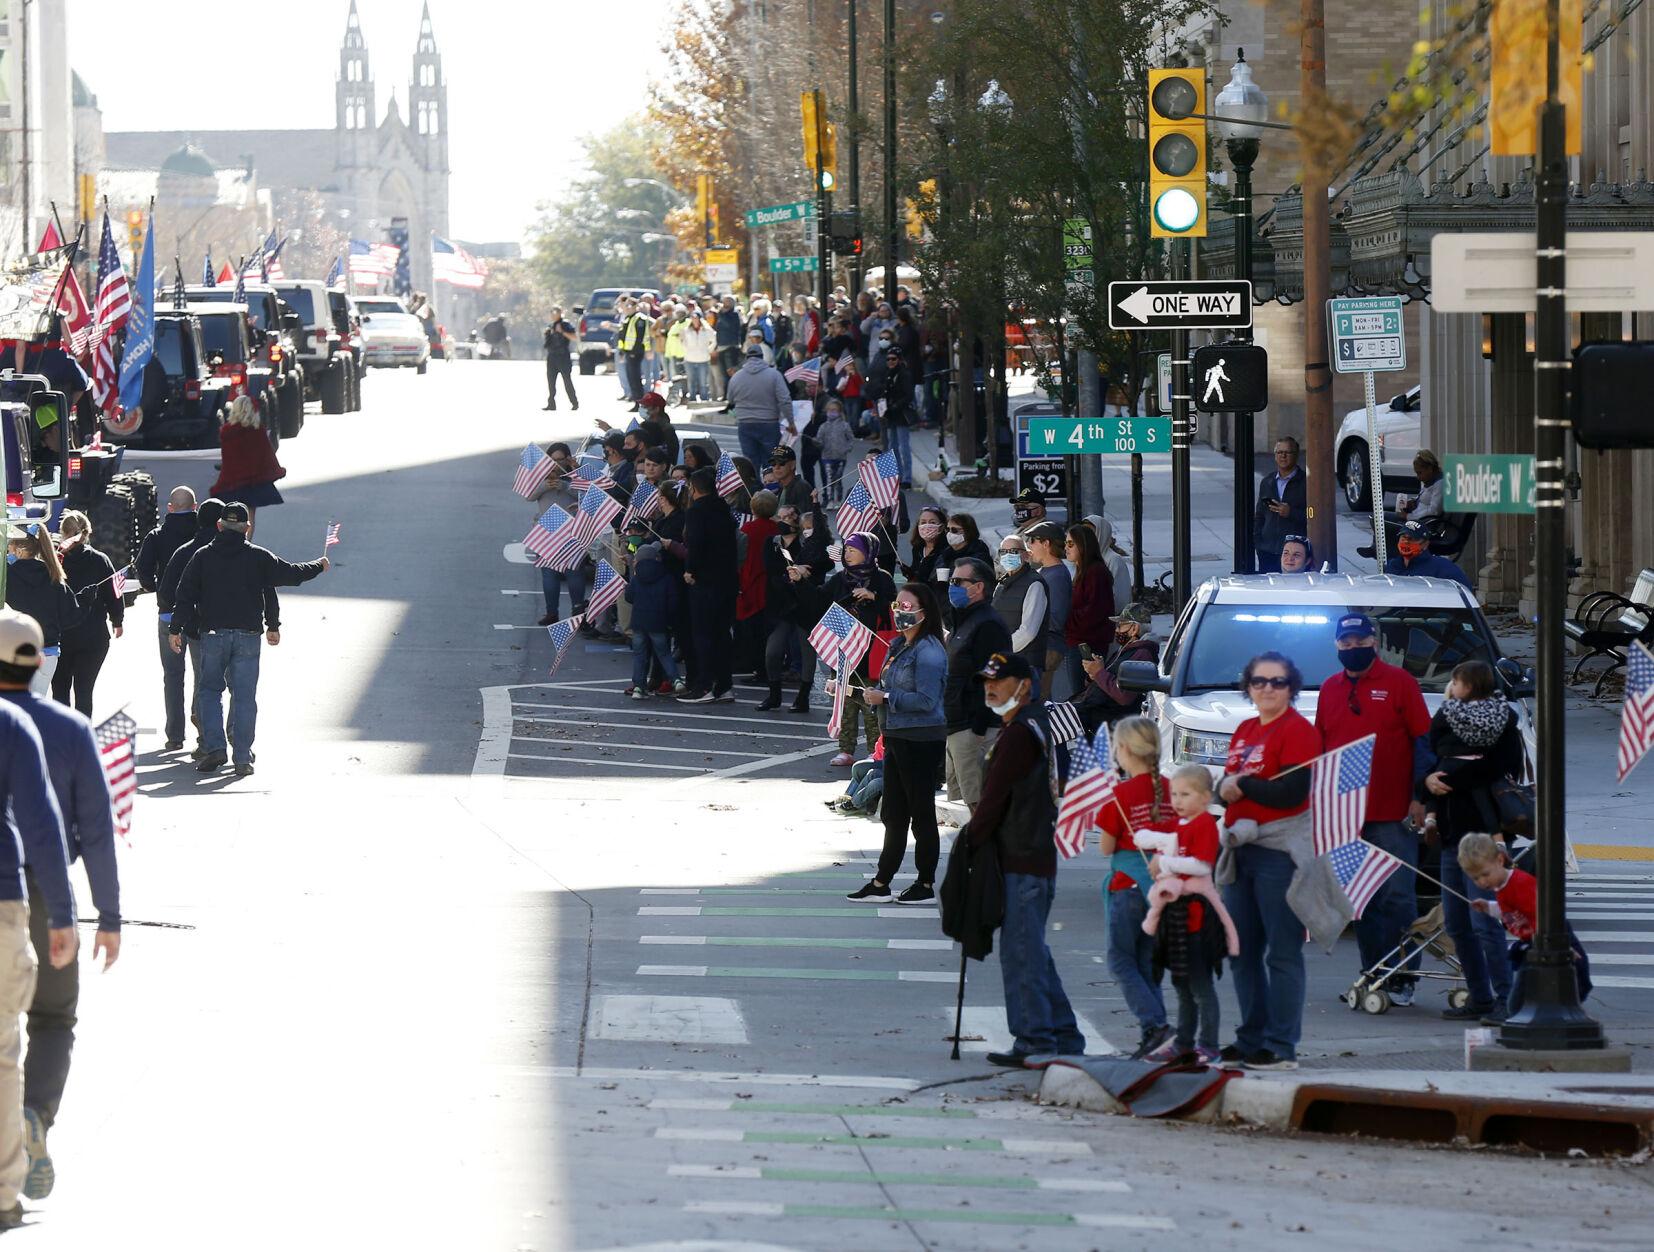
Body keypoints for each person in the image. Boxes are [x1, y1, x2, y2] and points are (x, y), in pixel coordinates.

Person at [0, 610, 119, 1202]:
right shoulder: (70, 729)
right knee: (51, 1019)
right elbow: (93, 829)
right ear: (39, 660)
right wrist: (109, 917)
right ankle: (35, 1115)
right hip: (46, 894)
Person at [968, 651, 1086, 1067]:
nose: (991, 689)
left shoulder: (1021, 732)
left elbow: (995, 797)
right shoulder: (1033, 724)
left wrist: (972, 841)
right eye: (987, 683)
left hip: (1022, 854)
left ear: (1025, 686)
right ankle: (1064, 1033)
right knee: (1031, 949)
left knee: (1022, 952)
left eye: (999, 683)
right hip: (1032, 853)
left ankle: (1036, 1039)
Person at [1315, 611, 1433, 1005]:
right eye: (1346, 644)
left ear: (1374, 643)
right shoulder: (1329, 689)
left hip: (1393, 813)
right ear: (1336, 646)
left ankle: (1404, 977)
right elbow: (1322, 750)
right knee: (1359, 902)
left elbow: (1422, 741)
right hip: (1345, 818)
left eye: (1360, 643)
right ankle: (1372, 975)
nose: (1353, 649)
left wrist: (1419, 797)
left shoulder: (1401, 683)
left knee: (1397, 898)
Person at [0, 641, 76, 1232]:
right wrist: (67, 915)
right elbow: (51, 830)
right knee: (27, 1036)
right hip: (19, 893)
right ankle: (26, 1133)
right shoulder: (24, 726)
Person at [1215, 652, 1321, 1070]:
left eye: (1277, 682)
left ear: (1291, 687)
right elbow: (1226, 786)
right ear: (1248, 686)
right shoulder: (1243, 729)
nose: (1267, 689)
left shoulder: (1298, 731)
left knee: (1282, 952)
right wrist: (1229, 786)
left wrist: (1243, 786)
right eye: (1259, 681)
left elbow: (1292, 792)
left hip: (1281, 854)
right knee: (1242, 951)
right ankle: (1250, 1038)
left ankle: (1280, 1046)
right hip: (1240, 851)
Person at [168, 502, 330, 775]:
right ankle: (242, 757)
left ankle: (216, 748)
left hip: (212, 634)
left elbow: (185, 595)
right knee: (244, 696)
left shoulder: (202, 557)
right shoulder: (258, 557)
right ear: (247, 528)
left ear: (219, 526)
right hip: (248, 637)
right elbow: (290, 574)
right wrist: (319, 565)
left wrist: (175, 629)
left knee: (209, 692)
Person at [1420, 661, 1522, 1022]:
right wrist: (1432, 781)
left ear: (1471, 683)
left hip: (1482, 831)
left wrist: (1452, 775)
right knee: (1457, 924)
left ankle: (1506, 997)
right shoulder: (1446, 715)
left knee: (1485, 923)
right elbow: (1435, 759)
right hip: (1449, 830)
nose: (1451, 685)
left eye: (1456, 679)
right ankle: (1479, 996)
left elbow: (1503, 767)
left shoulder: (1503, 719)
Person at [846, 582, 948, 905]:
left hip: (920, 739)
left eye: (907, 607)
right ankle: (881, 881)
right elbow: (881, 691)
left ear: (924, 612)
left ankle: (926, 882)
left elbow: (928, 700)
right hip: (896, 738)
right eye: (897, 606)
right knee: (893, 812)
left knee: (921, 812)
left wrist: (887, 696)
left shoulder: (930, 651)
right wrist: (850, 691)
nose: (900, 612)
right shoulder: (898, 645)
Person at [1134, 765, 1235, 1063]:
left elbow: (1202, 865)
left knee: (1201, 985)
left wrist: (1164, 863)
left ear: (1205, 797)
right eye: (1174, 794)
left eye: (1185, 794)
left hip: (1197, 915)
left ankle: (1210, 1045)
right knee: (1181, 982)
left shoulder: (1203, 824)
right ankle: (1185, 1042)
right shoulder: (1180, 823)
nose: (1177, 800)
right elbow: (1151, 836)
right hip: (1175, 914)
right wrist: (1145, 836)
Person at [1095, 716, 1172, 1059]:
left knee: (1120, 960)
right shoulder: (1172, 788)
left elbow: (1107, 848)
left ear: (1125, 750)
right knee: (1146, 962)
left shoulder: (1120, 796)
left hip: (1127, 889)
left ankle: (1155, 1024)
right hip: (1162, 889)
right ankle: (1155, 1034)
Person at [1459, 832, 1593, 1018]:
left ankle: (1565, 1013)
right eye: (1475, 878)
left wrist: (1564, 947)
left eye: (1484, 874)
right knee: (1521, 994)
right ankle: (1526, 1016)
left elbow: (1544, 915)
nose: (1482, 882)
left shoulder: (1519, 883)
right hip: (1532, 943)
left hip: (1552, 935)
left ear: (1499, 860)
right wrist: (1488, 907)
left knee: (1578, 980)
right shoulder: (1501, 886)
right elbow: (1511, 912)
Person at [814, 532, 896, 766]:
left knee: (870, 701)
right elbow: (819, 600)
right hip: (844, 650)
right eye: (846, 550)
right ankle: (845, 749)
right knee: (845, 700)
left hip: (871, 651)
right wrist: (800, 580)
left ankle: (874, 749)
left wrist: (873, 596)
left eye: (853, 550)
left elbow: (894, 609)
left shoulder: (882, 579)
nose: (847, 555)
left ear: (868, 552)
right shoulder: (841, 579)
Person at [942, 556, 1013, 813]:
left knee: (981, 804)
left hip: (974, 727)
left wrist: (980, 727)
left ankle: (990, 851)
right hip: (957, 723)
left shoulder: (988, 625)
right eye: (951, 580)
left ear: (978, 587)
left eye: (958, 581)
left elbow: (994, 677)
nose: (953, 586)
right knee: (971, 801)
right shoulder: (965, 620)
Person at [157, 499, 228, 757]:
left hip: (173, 621)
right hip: (204, 627)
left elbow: (165, 591)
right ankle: (204, 737)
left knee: (173, 677)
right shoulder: (224, 552)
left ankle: (175, 735)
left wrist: (172, 614)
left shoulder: (185, 551)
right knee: (204, 680)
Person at [137, 486, 200, 748]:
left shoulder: (157, 535)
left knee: (172, 676)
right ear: (195, 507)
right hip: (199, 613)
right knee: (203, 674)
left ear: (170, 508)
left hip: (168, 612)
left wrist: (154, 587)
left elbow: (142, 568)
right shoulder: (202, 534)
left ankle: (175, 735)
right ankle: (202, 723)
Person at [50, 511, 123, 717]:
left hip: (59, 635)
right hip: (93, 636)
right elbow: (114, 594)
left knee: (60, 691)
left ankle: (62, 740)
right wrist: (117, 621)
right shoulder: (101, 560)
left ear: (62, 533)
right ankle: (83, 740)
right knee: (84, 692)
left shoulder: (54, 561)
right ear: (88, 533)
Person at [758, 504, 829, 712]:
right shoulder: (772, 543)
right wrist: (789, 574)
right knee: (773, 651)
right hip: (781, 606)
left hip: (804, 605)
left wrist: (807, 572)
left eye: (790, 516)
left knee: (807, 651)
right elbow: (771, 570)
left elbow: (823, 564)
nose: (785, 520)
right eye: (781, 516)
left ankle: (803, 697)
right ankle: (774, 695)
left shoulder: (807, 544)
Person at [676, 467, 739, 704]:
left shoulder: (697, 511)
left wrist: (691, 570)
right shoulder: (724, 509)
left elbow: (696, 543)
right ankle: (724, 685)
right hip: (727, 580)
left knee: (703, 634)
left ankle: (705, 685)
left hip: (706, 581)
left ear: (694, 488)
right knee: (722, 634)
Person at [3, 526, 77, 697]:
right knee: (38, 702)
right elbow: (71, 614)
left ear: (18, 549)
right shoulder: (53, 574)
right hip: (48, 652)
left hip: (13, 651)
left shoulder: (7, 576)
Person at [1075, 603, 1159, 731]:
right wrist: (1095, 674)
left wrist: (1099, 673)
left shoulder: (1142, 654)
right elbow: (1109, 680)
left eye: (1120, 626)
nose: (1116, 630)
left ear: (1134, 628)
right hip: (1094, 712)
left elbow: (1124, 696)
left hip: (1108, 720)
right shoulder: (1126, 649)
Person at [210, 395, 286, 526]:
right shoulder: (258, 430)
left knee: (230, 514)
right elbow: (266, 455)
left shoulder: (227, 432)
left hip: (232, 482)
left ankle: (232, 539)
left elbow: (229, 460)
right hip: (253, 482)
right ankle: (247, 542)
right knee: (250, 515)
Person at [624, 540, 683, 699]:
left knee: (639, 655)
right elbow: (672, 601)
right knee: (664, 653)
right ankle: (676, 680)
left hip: (639, 621)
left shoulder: (637, 578)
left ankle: (638, 687)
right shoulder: (666, 576)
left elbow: (629, 597)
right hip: (658, 621)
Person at [1063, 523, 1116, 697]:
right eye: (1066, 543)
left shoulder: (1096, 573)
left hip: (1088, 644)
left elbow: (1094, 612)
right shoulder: (1082, 571)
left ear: (1083, 545)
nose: (1066, 547)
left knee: (1082, 696)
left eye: (1071, 544)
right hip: (1078, 642)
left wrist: (1066, 619)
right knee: (1079, 694)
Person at [1023, 522, 1073, 700]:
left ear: (1046, 544)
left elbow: (1056, 619)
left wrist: (1029, 619)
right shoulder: (1044, 571)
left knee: (1041, 702)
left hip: (1049, 649)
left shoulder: (1058, 575)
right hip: (1038, 647)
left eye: (1033, 541)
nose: (1029, 545)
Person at [735, 492, 780, 680]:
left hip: (750, 581)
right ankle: (766, 667)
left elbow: (740, 557)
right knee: (768, 629)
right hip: (771, 584)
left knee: (753, 630)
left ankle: (757, 666)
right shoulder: (776, 529)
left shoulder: (747, 529)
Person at [725, 345, 792, 466]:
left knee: (750, 461)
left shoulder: (736, 377)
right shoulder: (774, 375)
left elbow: (730, 399)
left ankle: (754, 484)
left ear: (747, 358)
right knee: (771, 460)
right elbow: (785, 400)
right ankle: (770, 483)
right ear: (762, 357)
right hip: (769, 422)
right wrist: (790, 422)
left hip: (745, 423)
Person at [1254, 437, 1307, 573]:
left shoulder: (1306, 482)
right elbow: (1259, 515)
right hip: (1267, 549)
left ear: (1296, 455)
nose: (1283, 456)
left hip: (1293, 553)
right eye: (1279, 452)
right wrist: (1258, 542)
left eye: (1287, 452)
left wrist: (1291, 513)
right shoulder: (1267, 481)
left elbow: (1314, 516)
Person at [866, 346, 916, 487]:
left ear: (899, 360)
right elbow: (882, 392)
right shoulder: (887, 374)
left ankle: (907, 478)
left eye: (893, 359)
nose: (890, 361)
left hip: (901, 414)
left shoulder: (904, 374)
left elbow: (908, 395)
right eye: (888, 359)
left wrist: (895, 406)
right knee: (891, 448)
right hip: (890, 415)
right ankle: (896, 477)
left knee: (903, 446)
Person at [991, 535, 1041, 675]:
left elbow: (1028, 632)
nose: (1007, 556)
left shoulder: (1034, 584)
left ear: (1026, 555)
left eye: (1013, 551)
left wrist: (1001, 649)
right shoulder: (1001, 584)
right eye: (1003, 552)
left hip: (1025, 664)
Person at [1384, 520, 1472, 587]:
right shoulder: (1392, 565)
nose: (1406, 542)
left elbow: (1466, 593)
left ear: (1425, 544)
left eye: (1412, 539)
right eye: (1403, 538)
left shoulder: (1443, 568)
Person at [904, 506, 951, 590]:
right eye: (923, 522)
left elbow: (941, 584)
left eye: (932, 522)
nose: (927, 526)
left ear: (941, 527)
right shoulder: (918, 548)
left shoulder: (947, 550)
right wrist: (910, 573)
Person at [1393, 450, 1444, 527]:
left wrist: (1407, 516)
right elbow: (1425, 500)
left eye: (1420, 473)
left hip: (1421, 525)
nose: (1418, 477)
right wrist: (1414, 501)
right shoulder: (1430, 481)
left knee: (1382, 519)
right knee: (1382, 516)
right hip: (1415, 519)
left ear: (1430, 469)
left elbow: (1434, 512)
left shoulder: (1440, 484)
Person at [815, 399, 854, 502]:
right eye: (830, 410)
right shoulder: (823, 426)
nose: (832, 412)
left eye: (834, 410)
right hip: (826, 457)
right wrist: (817, 443)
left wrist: (847, 449)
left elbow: (851, 438)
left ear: (839, 412)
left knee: (838, 479)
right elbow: (819, 440)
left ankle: (839, 499)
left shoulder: (845, 425)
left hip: (841, 457)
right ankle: (830, 500)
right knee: (829, 479)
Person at [542, 307, 578, 410]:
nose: (553, 315)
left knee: (567, 380)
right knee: (551, 381)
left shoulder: (565, 324)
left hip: (563, 357)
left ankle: (574, 403)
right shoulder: (550, 326)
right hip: (552, 356)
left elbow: (574, 337)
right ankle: (551, 403)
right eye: (551, 312)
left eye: (555, 312)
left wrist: (562, 332)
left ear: (560, 313)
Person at [764, 445, 815, 516]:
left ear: (792, 465)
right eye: (773, 463)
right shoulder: (783, 486)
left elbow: (804, 520)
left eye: (782, 463)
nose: (777, 467)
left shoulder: (801, 487)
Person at [680, 310, 715, 401]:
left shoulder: (707, 330)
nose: (694, 320)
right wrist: (686, 350)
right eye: (693, 318)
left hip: (703, 358)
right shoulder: (686, 330)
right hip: (689, 358)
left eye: (696, 318)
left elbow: (713, 340)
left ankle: (704, 399)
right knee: (691, 380)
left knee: (703, 381)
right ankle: (692, 399)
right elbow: (682, 342)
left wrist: (708, 350)